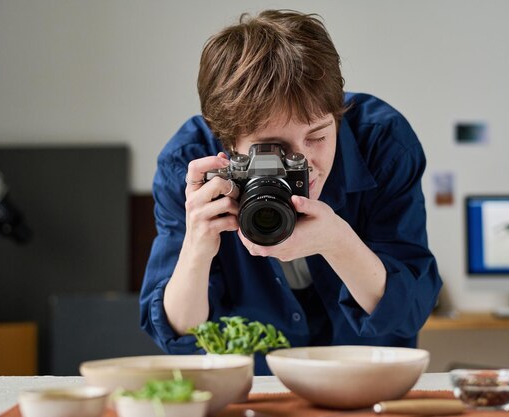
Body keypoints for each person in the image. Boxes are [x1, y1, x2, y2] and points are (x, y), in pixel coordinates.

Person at [140, 9, 442, 375]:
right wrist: (197, 247)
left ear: (337, 115)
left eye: (317, 136)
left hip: (367, 376)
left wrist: (339, 243)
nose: (305, 162)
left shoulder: (382, 143)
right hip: (257, 385)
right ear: (228, 143)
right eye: (273, 147)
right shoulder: (189, 162)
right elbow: (177, 336)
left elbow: (411, 308)